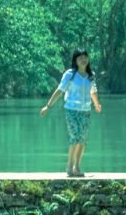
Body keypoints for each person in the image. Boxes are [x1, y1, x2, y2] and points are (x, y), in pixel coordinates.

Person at [41, 50, 101, 178]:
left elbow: (93, 91)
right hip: (71, 110)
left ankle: (77, 166)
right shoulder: (70, 74)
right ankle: (69, 165)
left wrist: (96, 104)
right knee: (75, 136)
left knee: (82, 139)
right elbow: (60, 90)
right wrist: (48, 106)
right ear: (75, 60)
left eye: (85, 58)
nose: (83, 60)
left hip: (85, 110)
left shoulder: (91, 75)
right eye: (80, 58)